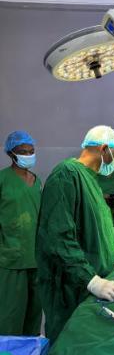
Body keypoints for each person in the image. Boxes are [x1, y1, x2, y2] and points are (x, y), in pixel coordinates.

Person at [36, 125, 114, 342]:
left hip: (86, 286)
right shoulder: (65, 175)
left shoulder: (92, 181)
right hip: (70, 289)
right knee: (67, 349)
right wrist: (92, 281)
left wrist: (110, 251)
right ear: (104, 149)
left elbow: (90, 228)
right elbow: (58, 239)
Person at [0, 131, 42, 336]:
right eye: (22, 152)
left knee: (33, 315)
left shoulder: (37, 181)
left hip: (35, 257)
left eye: (31, 151)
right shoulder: (2, 179)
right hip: (10, 259)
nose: (28, 155)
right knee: (10, 315)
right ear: (11, 154)